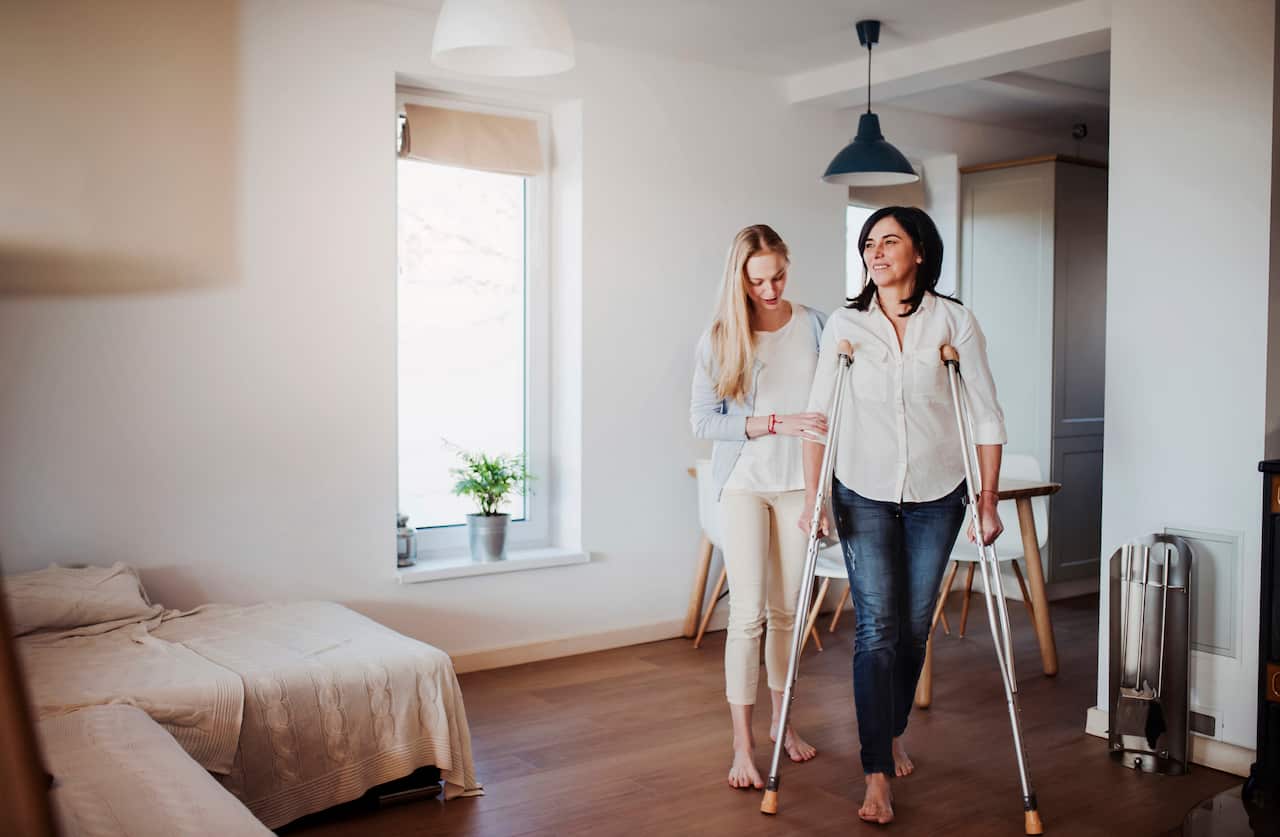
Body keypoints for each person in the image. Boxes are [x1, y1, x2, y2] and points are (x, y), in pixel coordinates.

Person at [802, 206, 1007, 824]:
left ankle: (890, 732)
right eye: (869, 243)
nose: (876, 251)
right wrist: (815, 501)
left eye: (890, 240)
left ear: (919, 250)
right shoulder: (846, 325)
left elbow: (986, 414)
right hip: (861, 491)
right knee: (875, 629)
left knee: (914, 628)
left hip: (939, 493)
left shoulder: (955, 321)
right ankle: (876, 772)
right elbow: (821, 419)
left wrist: (989, 499)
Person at [690, 224, 827, 790]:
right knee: (746, 613)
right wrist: (772, 423)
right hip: (744, 484)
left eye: (778, 277)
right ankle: (742, 746)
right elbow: (703, 422)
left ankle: (782, 726)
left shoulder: (817, 325)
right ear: (740, 280)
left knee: (788, 613)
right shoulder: (722, 337)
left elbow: (833, 406)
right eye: (758, 281)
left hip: (800, 484)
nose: (770, 290)